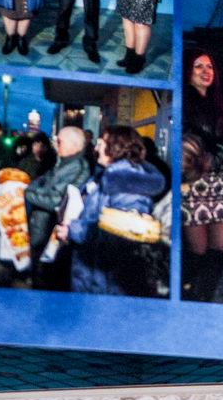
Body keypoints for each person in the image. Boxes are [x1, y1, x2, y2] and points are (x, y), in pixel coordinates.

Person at [55, 126, 166, 296]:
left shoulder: (127, 183)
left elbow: (120, 234)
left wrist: (73, 230)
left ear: (115, 147)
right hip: (92, 274)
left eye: (101, 144)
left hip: (105, 282)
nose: (96, 148)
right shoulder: (108, 176)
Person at [181, 49, 223, 302]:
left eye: (209, 67)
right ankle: (189, 299)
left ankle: (204, 299)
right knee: (196, 252)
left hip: (221, 183)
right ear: (188, 71)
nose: (205, 71)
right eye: (198, 66)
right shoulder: (183, 102)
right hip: (193, 183)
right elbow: (191, 143)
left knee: (220, 249)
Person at [23, 127, 91, 291]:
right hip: (41, 231)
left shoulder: (77, 167)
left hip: (51, 235)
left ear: (74, 145)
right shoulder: (62, 163)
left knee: (46, 283)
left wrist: (27, 193)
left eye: (59, 141)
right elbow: (39, 182)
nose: (55, 144)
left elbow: (57, 200)